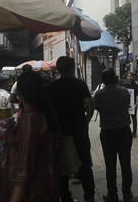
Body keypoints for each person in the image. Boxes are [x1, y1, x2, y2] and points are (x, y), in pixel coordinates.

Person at [1, 71, 60, 202]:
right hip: (49, 181)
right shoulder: (47, 109)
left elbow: (25, 168)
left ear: (19, 93)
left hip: (34, 190)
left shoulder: (30, 120)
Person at [45, 56, 95, 202]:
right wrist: (86, 122)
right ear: (73, 67)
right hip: (79, 130)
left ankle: (66, 197)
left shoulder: (50, 88)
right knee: (85, 164)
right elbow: (89, 104)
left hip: (59, 132)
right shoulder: (79, 84)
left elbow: (47, 110)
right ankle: (90, 196)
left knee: (61, 166)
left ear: (58, 69)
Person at [94, 68, 133, 202]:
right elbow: (128, 105)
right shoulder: (124, 91)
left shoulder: (98, 94)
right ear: (115, 79)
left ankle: (112, 193)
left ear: (102, 80)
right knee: (126, 163)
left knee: (110, 165)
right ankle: (127, 192)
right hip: (124, 131)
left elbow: (96, 107)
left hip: (108, 133)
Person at [123, 71, 138, 138]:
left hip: (133, 105)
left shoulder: (135, 86)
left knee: (134, 118)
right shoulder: (125, 86)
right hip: (126, 105)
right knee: (126, 118)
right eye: (128, 76)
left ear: (133, 77)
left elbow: (137, 95)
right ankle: (127, 131)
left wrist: (136, 104)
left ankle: (134, 132)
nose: (129, 78)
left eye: (131, 76)